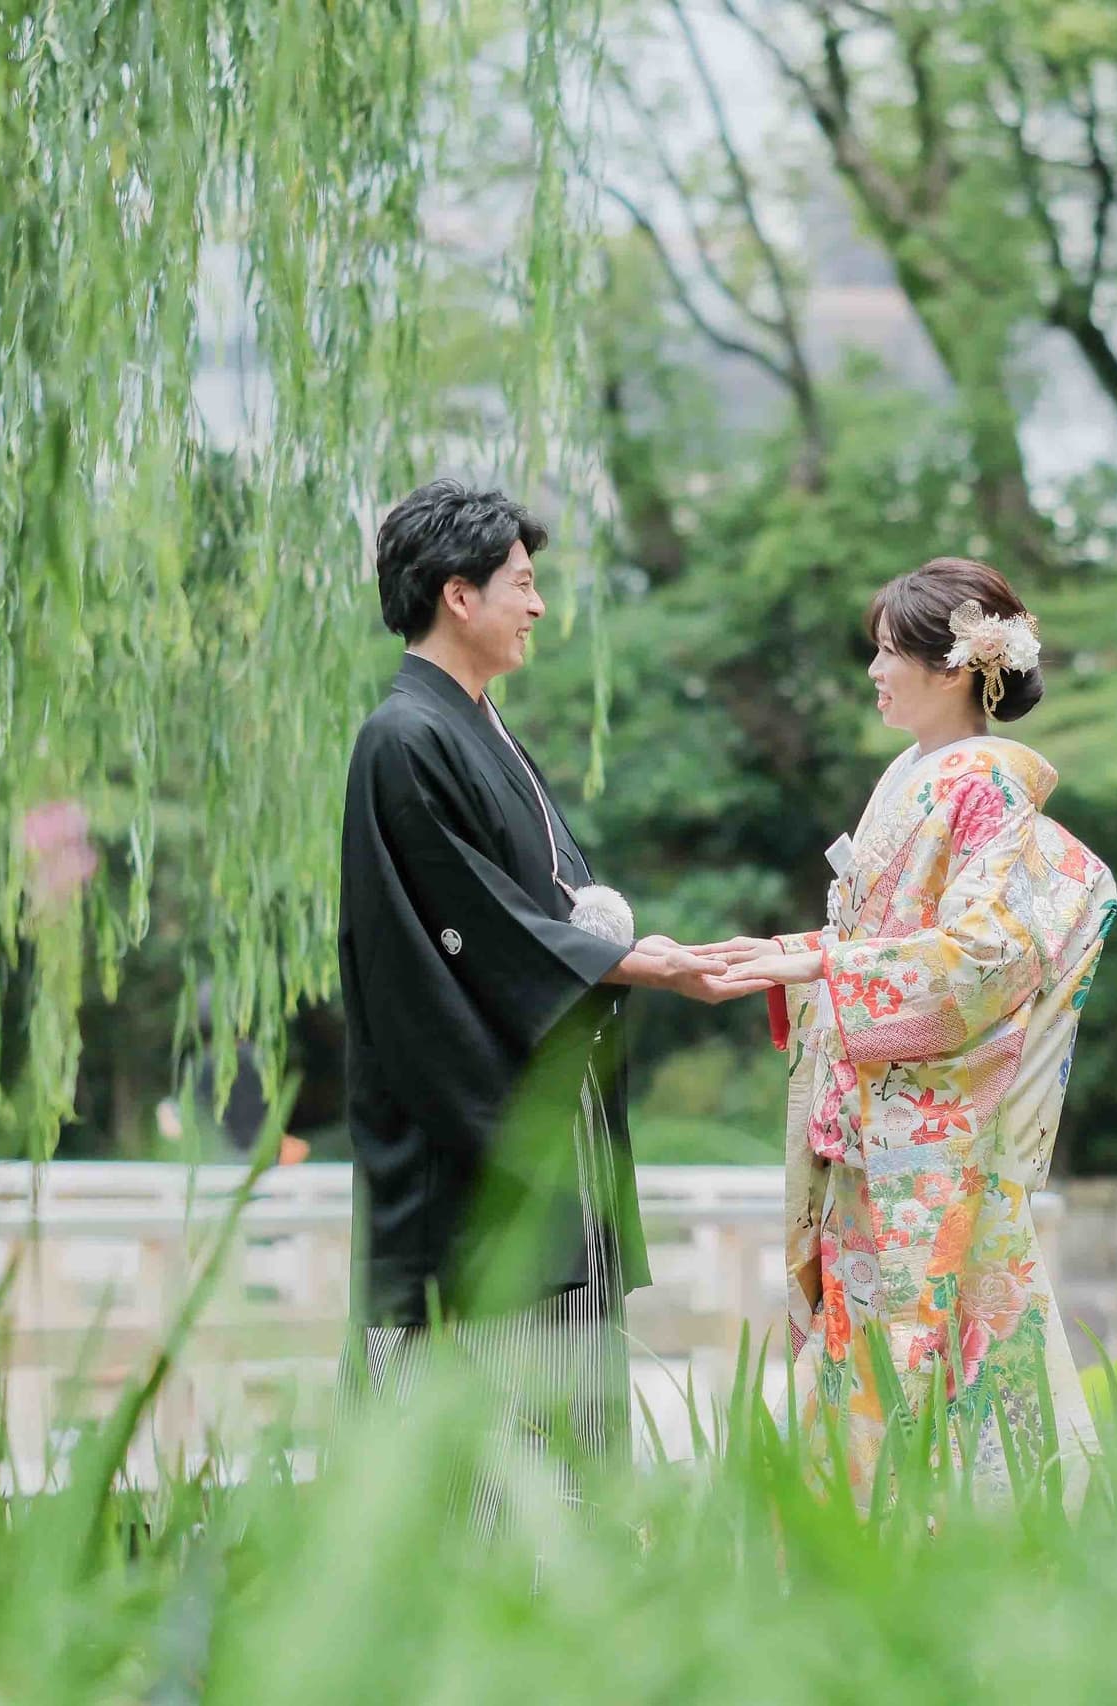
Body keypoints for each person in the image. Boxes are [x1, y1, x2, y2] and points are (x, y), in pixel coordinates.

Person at [337, 478, 751, 1512]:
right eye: (520, 584)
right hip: (468, 1125)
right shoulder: (404, 737)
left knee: (565, 1418)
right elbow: (473, 928)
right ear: (455, 594)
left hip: (545, 1107)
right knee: (479, 1427)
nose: (536, 606)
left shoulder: (482, 729)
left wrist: (619, 949)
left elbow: (556, 908)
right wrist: (629, 960)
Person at [713, 558, 1117, 1500]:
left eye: (888, 651)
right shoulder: (915, 775)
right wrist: (794, 950)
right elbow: (885, 939)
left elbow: (984, 957)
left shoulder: (986, 786)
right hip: (875, 1123)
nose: (873, 671)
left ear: (952, 668)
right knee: (870, 1353)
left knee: (923, 1360)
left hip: (931, 1138)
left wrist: (825, 965)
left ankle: (914, 1556)